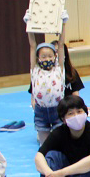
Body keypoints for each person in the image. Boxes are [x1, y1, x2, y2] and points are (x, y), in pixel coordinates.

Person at [25, 7, 69, 145]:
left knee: (60, 142)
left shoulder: (58, 69)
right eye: (43, 56)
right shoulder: (36, 70)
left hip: (57, 110)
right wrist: (29, 25)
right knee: (44, 145)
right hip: (41, 112)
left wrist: (63, 23)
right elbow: (32, 45)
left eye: (50, 56)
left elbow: (61, 45)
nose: (47, 59)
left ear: (55, 56)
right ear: (38, 58)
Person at [26, 43, 84, 114]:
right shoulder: (38, 74)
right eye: (44, 56)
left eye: (58, 52)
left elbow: (76, 95)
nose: (48, 59)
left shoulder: (70, 72)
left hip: (65, 109)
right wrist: (35, 105)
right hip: (44, 110)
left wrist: (78, 108)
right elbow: (33, 94)